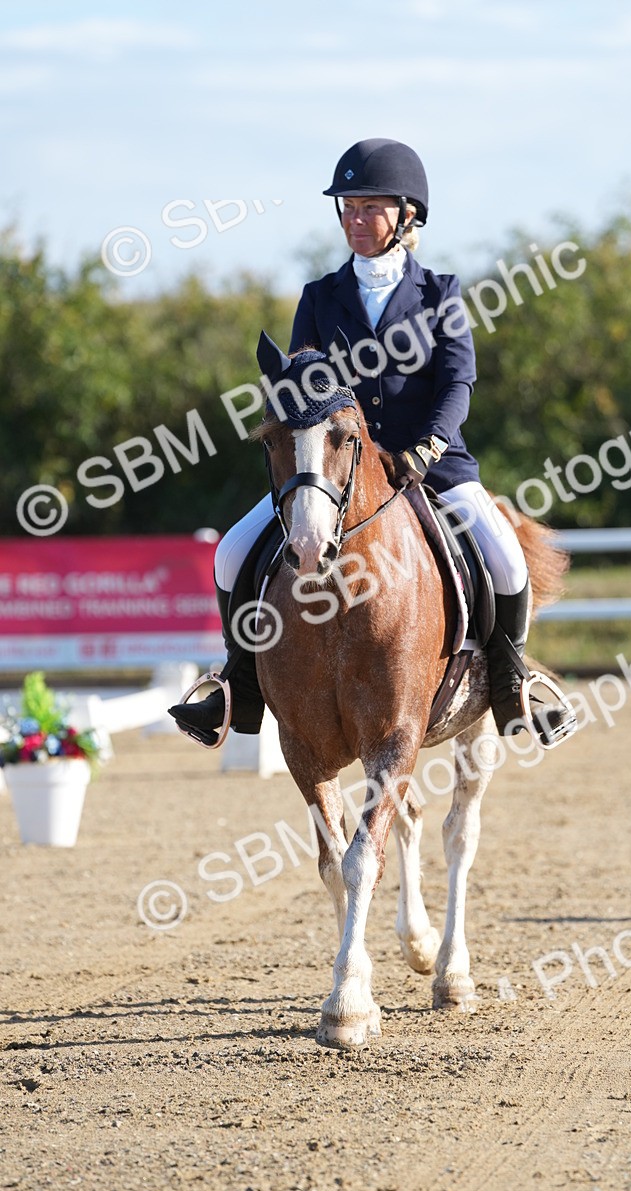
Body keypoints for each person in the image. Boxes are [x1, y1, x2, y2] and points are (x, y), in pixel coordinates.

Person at [170, 138, 531, 740]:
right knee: (233, 551)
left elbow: (458, 383)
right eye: (348, 208)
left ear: (406, 215)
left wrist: (429, 447)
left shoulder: (441, 294)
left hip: (431, 463)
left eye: (370, 208)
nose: (355, 220)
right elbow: (301, 387)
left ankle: (513, 682)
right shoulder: (319, 297)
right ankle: (240, 686)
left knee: (506, 557)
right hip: (333, 467)